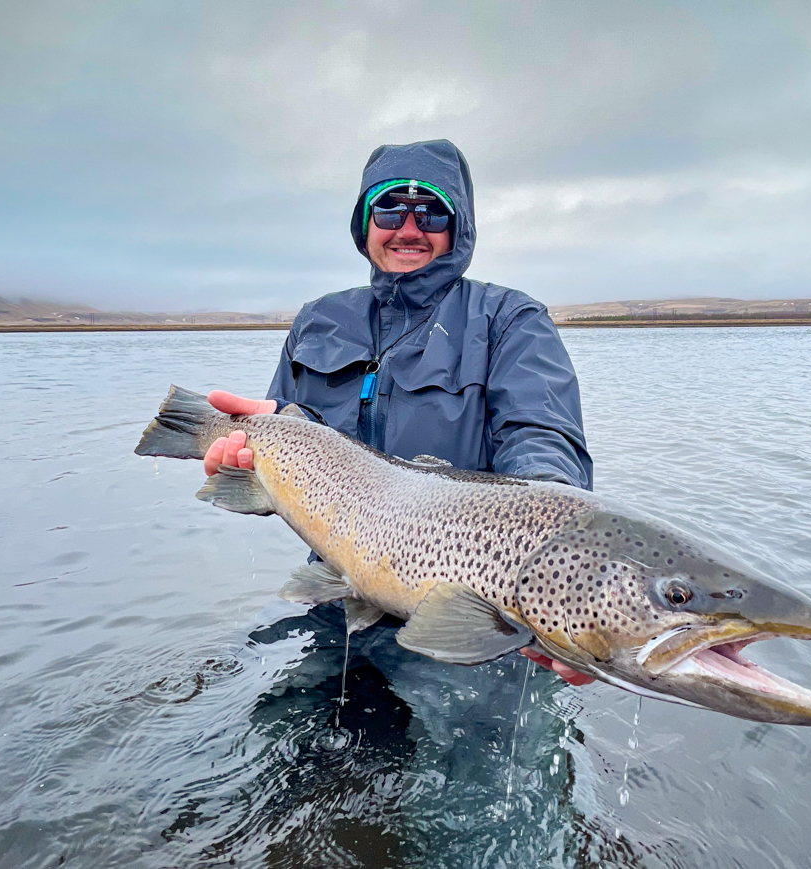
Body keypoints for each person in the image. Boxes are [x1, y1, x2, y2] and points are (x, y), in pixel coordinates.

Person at [203, 139, 593, 685]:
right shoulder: (318, 320)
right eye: (390, 207)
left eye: (432, 210)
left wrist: (548, 571)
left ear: (459, 228)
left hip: (474, 615)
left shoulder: (510, 320)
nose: (409, 228)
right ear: (364, 223)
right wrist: (252, 464)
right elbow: (294, 434)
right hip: (337, 599)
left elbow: (542, 437)